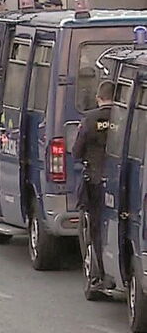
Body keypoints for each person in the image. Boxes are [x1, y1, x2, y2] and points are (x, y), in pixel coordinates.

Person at [73, 80, 113, 288]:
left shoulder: (90, 119)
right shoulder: (123, 118)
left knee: (94, 228)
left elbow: (76, 152)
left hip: (95, 181)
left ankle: (97, 275)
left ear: (98, 98)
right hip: (118, 181)